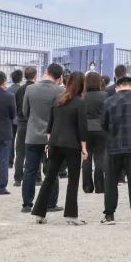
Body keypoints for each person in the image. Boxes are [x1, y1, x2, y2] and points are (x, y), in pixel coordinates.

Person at [31, 69, 89, 225]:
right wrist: (84, 147)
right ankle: (71, 215)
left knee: (49, 178)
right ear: (82, 85)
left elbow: (50, 125)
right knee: (73, 180)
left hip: (55, 143)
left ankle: (39, 213)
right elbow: (82, 128)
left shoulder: (58, 100)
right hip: (72, 145)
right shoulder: (80, 102)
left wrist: (48, 143)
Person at [101, 71, 131, 224]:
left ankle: (109, 215)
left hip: (113, 146)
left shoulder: (108, 102)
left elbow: (103, 124)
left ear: (117, 87)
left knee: (110, 182)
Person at [21, 64, 65, 213]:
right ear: (59, 77)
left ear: (46, 72)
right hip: (51, 137)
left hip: (32, 135)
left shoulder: (30, 89)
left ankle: (27, 204)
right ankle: (51, 203)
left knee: (30, 170)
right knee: (51, 170)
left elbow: (25, 111)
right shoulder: (60, 90)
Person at [81, 72, 108, 195]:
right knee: (100, 157)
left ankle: (87, 186)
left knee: (86, 156)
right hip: (100, 128)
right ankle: (100, 186)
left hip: (85, 128)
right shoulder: (105, 95)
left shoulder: (82, 96)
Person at [12, 66, 37, 187]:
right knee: (35, 150)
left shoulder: (20, 89)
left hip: (21, 123)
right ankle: (37, 178)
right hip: (33, 123)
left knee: (20, 151)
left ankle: (18, 178)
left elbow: (17, 106)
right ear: (35, 76)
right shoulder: (36, 89)